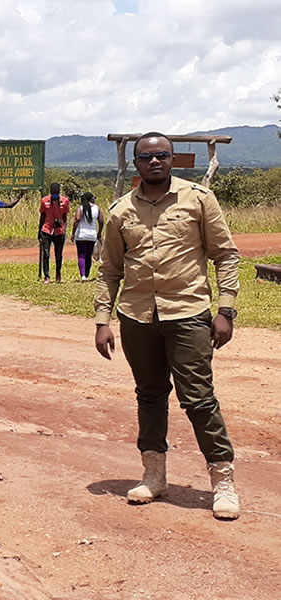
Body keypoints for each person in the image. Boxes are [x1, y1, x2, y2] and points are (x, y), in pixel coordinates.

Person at [94, 132, 241, 520]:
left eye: (162, 155)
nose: (154, 161)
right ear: (137, 164)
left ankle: (222, 481)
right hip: (137, 317)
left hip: (188, 313)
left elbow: (225, 255)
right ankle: (154, 475)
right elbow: (109, 270)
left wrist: (225, 309)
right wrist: (102, 320)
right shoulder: (121, 211)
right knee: (150, 395)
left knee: (198, 398)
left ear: (172, 159)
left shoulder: (198, 200)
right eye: (146, 157)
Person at [38, 183, 70, 283]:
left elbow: (65, 216)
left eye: (56, 194)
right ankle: (47, 276)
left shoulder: (65, 201)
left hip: (59, 232)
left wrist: (64, 228)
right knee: (46, 254)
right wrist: (39, 231)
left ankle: (58, 273)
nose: (54, 196)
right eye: (53, 194)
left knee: (58, 254)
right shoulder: (44, 201)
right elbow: (42, 216)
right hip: (46, 230)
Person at [71, 192, 102, 281]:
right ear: (91, 199)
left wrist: (73, 233)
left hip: (81, 235)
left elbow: (77, 219)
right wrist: (99, 233)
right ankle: (87, 274)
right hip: (92, 235)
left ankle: (83, 275)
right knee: (89, 255)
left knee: (81, 255)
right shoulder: (97, 208)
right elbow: (101, 221)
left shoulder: (80, 208)